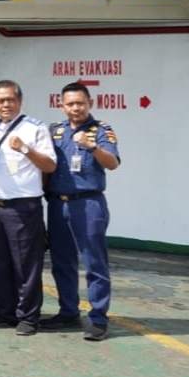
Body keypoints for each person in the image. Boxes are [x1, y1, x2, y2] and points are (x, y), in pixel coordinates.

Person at [43, 82, 120, 342]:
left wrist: (92, 146)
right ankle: (68, 312)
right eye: (70, 103)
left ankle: (98, 318)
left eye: (80, 103)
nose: (76, 108)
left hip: (88, 204)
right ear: (61, 105)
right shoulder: (56, 131)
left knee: (94, 263)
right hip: (57, 204)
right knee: (62, 261)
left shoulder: (101, 131)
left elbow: (113, 163)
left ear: (90, 103)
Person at [0, 79, 57, 336]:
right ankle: (5, 311)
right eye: (0, 100)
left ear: (20, 101)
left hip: (24, 207)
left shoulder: (35, 128)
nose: (6, 104)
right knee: (0, 262)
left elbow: (49, 165)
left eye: (10, 99)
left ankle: (28, 317)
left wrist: (25, 149)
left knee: (27, 265)